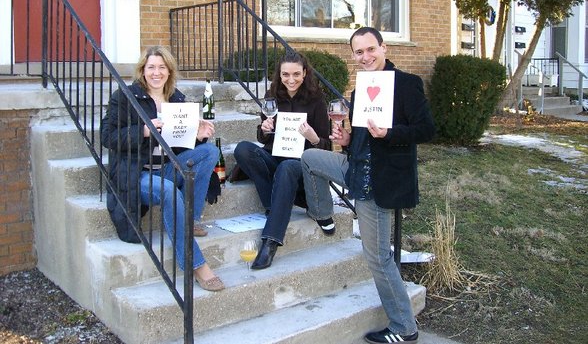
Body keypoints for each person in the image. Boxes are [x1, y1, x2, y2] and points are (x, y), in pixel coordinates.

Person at [300, 27, 435, 343]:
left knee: (377, 257)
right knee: (309, 160)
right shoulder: (360, 90)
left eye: (370, 49)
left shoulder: (406, 84)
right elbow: (361, 139)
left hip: (380, 180)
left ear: (384, 47)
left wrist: (389, 134)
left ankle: (404, 326)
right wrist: (347, 140)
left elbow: (426, 130)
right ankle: (323, 214)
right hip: (354, 167)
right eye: (358, 52)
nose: (365, 57)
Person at [100, 45, 225, 292]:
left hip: (167, 167)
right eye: (151, 67)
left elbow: (179, 143)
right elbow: (107, 136)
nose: (156, 73)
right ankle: (196, 265)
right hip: (137, 173)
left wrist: (198, 135)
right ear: (142, 70)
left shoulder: (176, 98)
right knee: (169, 191)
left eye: (162, 67)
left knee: (210, 152)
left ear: (169, 71)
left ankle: (191, 218)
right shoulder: (125, 97)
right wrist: (144, 131)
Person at [234, 52, 331, 270]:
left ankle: (271, 241)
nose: (291, 79)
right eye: (286, 74)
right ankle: (274, 203)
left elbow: (326, 146)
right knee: (243, 149)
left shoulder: (316, 101)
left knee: (288, 167)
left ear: (305, 73)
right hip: (275, 157)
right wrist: (265, 129)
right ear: (279, 74)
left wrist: (313, 137)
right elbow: (262, 137)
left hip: (300, 164)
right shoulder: (272, 96)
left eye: (296, 74)